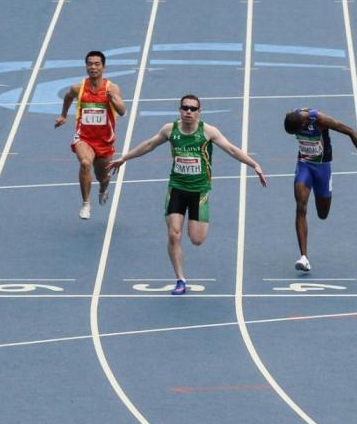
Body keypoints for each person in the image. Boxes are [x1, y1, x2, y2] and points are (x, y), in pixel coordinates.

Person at [107, 95, 267, 295]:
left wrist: (254, 164)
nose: (189, 112)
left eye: (193, 109)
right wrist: (124, 158)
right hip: (177, 188)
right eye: (185, 108)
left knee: (197, 239)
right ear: (180, 110)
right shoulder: (170, 130)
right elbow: (149, 145)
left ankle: (196, 226)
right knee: (174, 234)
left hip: (199, 191)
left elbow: (232, 150)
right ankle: (180, 279)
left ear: (199, 112)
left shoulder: (208, 132)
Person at [283, 108, 357, 272]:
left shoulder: (320, 120)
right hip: (304, 166)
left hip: (323, 169)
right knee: (301, 207)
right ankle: (304, 257)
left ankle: (323, 192)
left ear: (304, 123)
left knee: (322, 214)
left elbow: (350, 131)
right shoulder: (292, 117)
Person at [55, 50, 126, 220]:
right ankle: (86, 203)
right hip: (84, 138)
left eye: (97, 64)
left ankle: (103, 188)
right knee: (85, 163)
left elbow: (122, 112)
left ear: (103, 67)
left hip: (104, 141)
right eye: (90, 64)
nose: (93, 67)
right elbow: (67, 97)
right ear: (86, 66)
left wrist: (113, 100)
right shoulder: (78, 88)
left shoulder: (112, 88)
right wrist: (63, 115)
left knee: (103, 177)